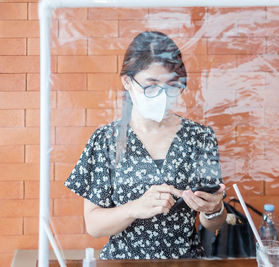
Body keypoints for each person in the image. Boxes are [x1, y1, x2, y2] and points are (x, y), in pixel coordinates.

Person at [64, 31, 226, 260]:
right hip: (122, 263)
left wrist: (213, 209)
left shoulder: (199, 137)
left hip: (185, 262)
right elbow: (93, 225)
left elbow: (214, 224)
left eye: (171, 85)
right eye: (151, 85)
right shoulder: (106, 140)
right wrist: (135, 208)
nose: (162, 95)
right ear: (127, 81)